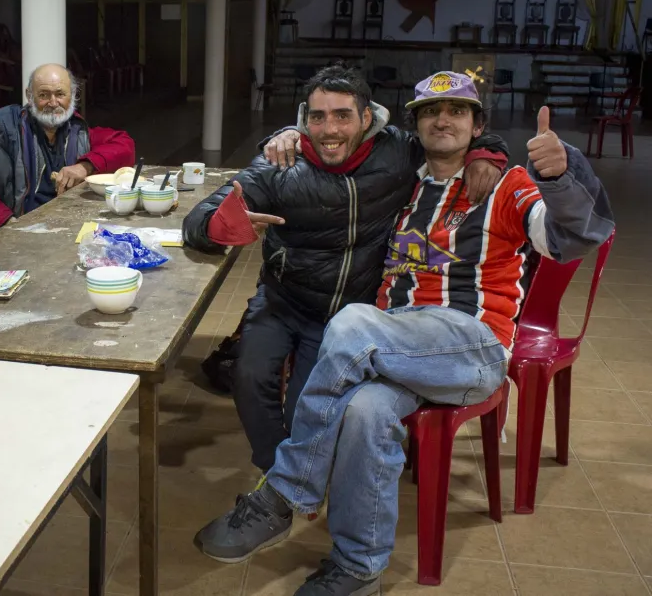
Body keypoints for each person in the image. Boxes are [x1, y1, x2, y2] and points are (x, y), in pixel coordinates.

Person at [194, 71, 614, 596]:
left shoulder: (505, 184)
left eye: (457, 111)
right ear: (415, 126)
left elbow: (566, 239)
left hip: (470, 347)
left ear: (476, 124)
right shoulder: (405, 181)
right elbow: (338, 139)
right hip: (398, 348)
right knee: (366, 411)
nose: (443, 120)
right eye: (431, 112)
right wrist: (283, 134)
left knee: (350, 323)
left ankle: (285, 490)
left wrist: (560, 178)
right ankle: (357, 570)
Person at [182, 63, 509, 475]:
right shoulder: (280, 163)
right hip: (284, 299)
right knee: (247, 376)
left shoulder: (398, 153)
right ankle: (278, 475)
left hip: (348, 315)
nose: (329, 129)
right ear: (303, 120)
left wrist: (488, 152)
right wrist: (221, 225)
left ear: (367, 118)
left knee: (307, 403)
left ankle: (300, 473)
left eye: (342, 116)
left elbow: (450, 138)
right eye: (317, 117)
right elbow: (196, 222)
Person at [0, 63, 136, 233]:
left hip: (67, 229)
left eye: (60, 94)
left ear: (73, 96)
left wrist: (84, 166)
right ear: (29, 96)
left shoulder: (78, 132)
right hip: (15, 231)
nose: (53, 103)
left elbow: (125, 145)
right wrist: (6, 223)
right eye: (44, 95)